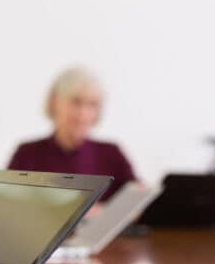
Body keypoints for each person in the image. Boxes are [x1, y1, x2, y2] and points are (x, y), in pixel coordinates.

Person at [8, 66, 136, 201]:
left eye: (92, 104)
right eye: (76, 102)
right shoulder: (27, 154)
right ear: (54, 103)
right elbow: (7, 206)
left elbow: (138, 203)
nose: (83, 114)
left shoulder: (112, 154)